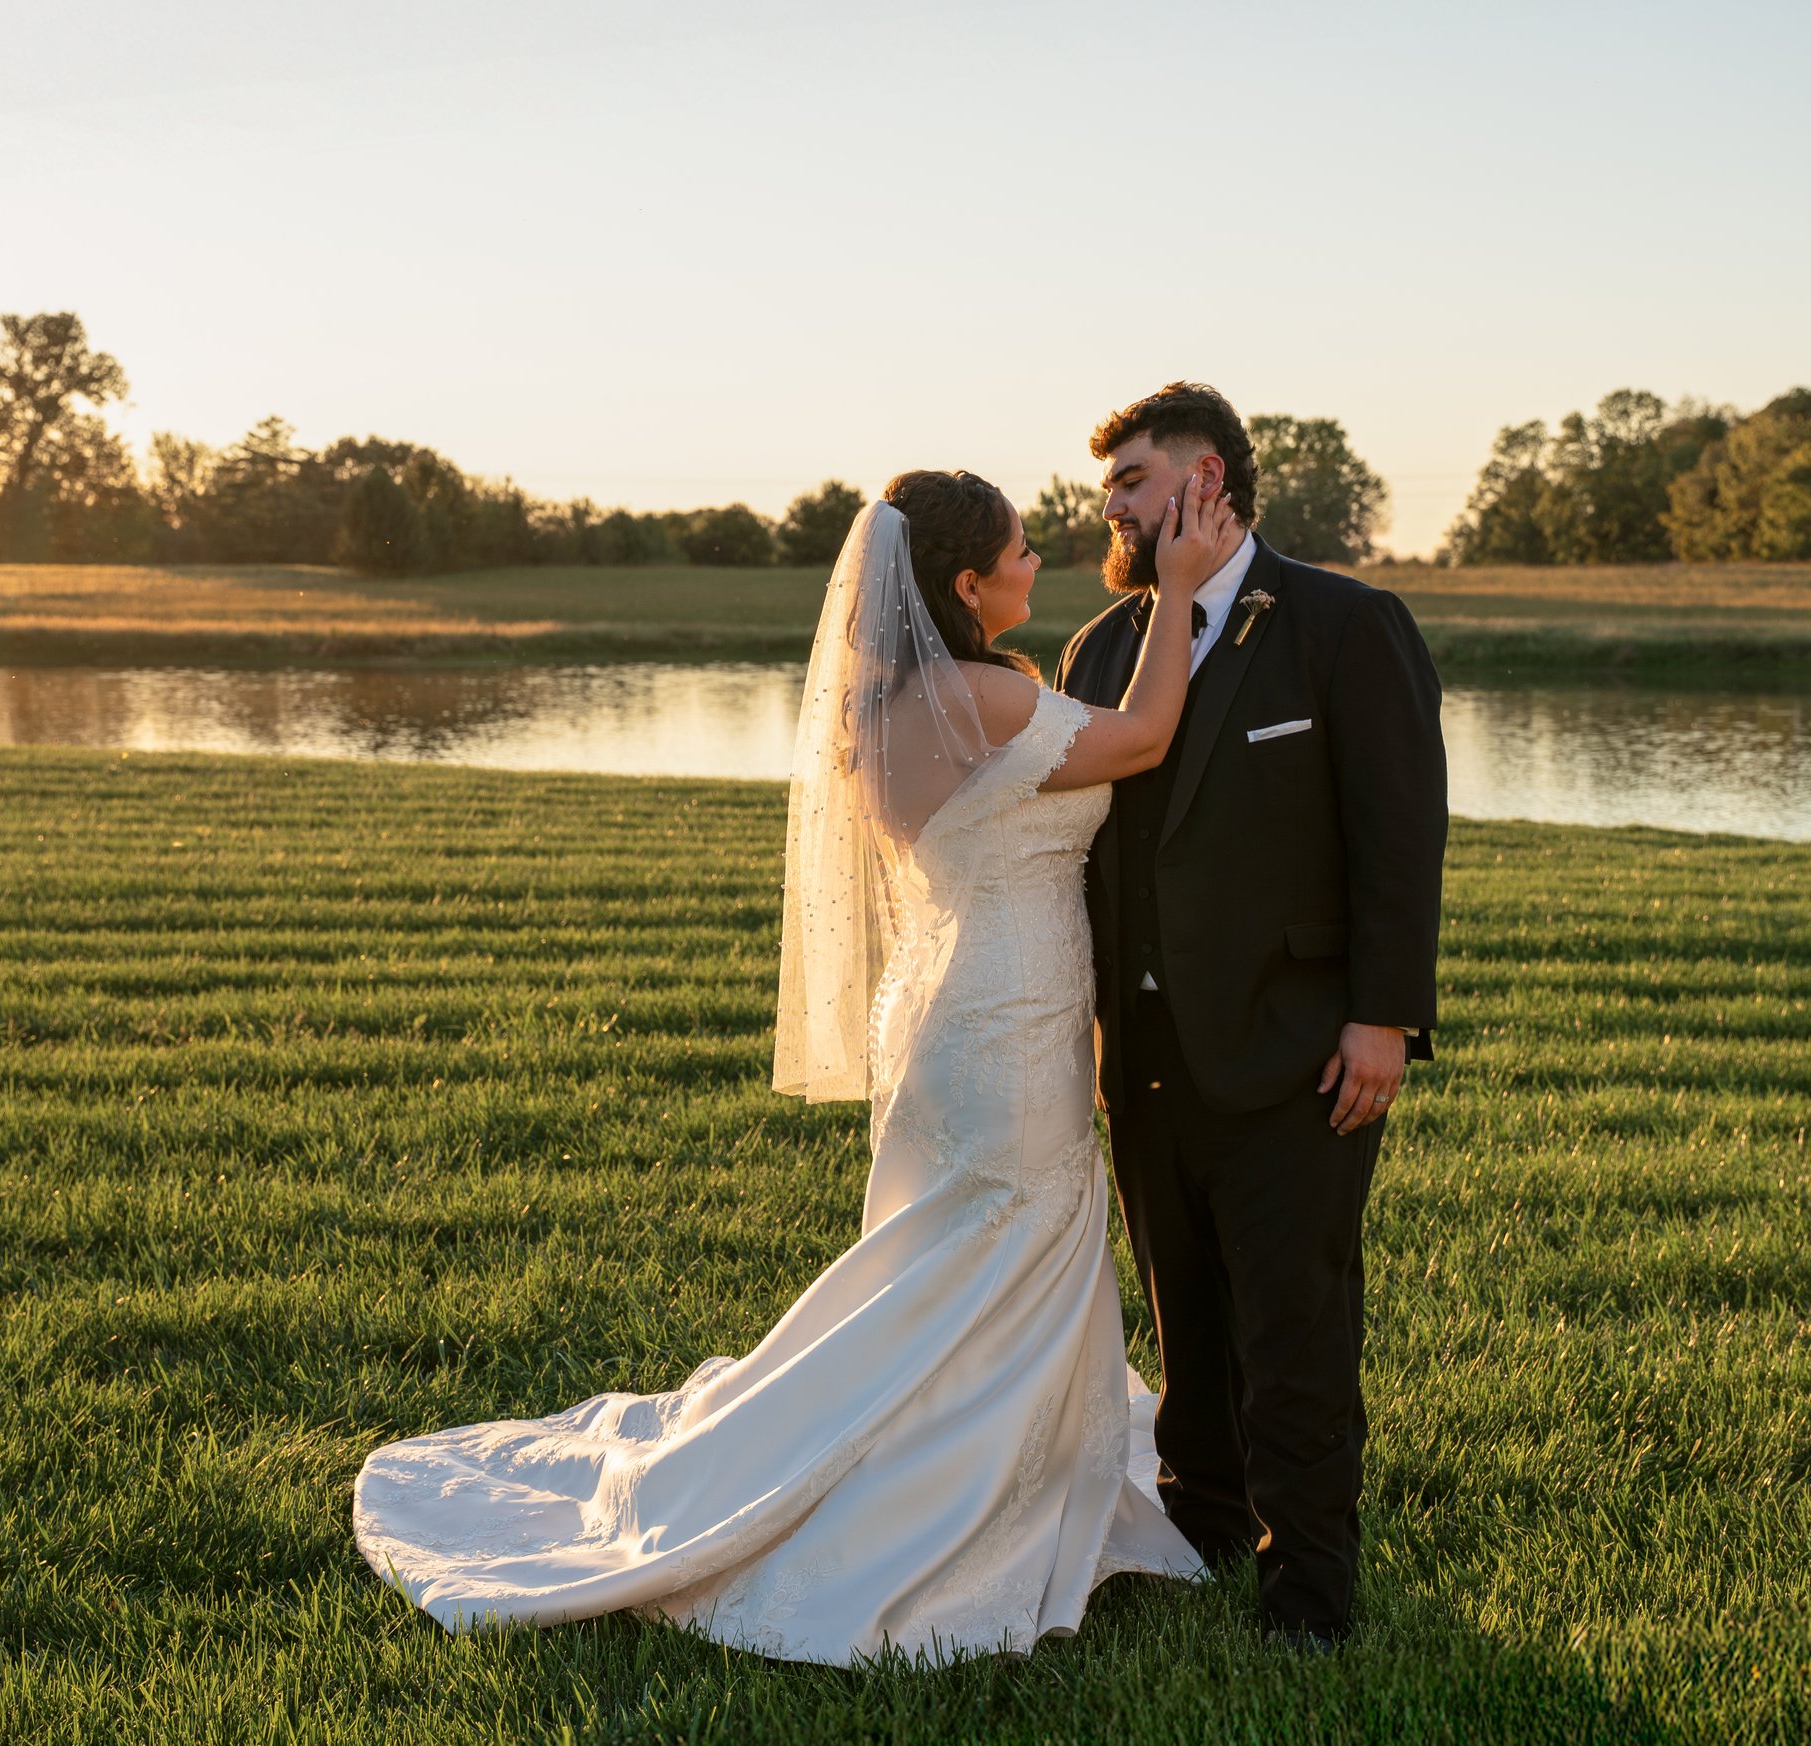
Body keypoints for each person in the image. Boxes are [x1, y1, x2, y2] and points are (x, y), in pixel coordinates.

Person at [355, 468, 1239, 1664]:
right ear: (967, 584)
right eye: (1023, 551)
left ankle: (991, 1472)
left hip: (953, 1009)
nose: (1043, 564)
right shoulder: (977, 693)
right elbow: (1141, 737)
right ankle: (944, 1511)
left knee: (952, 1257)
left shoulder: (887, 711)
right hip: (1008, 1008)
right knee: (1003, 1240)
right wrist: (1180, 589)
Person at [1055, 382, 1448, 1651]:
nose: (1108, 503)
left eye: (1129, 480)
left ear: (1205, 481)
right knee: (1187, 1315)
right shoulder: (1104, 647)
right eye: (1107, 484)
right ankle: (1204, 1525)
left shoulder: (1344, 625)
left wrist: (1381, 1018)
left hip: (1300, 1052)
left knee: (1295, 1325)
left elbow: (1399, 839)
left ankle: (1311, 1598)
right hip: (1150, 1058)